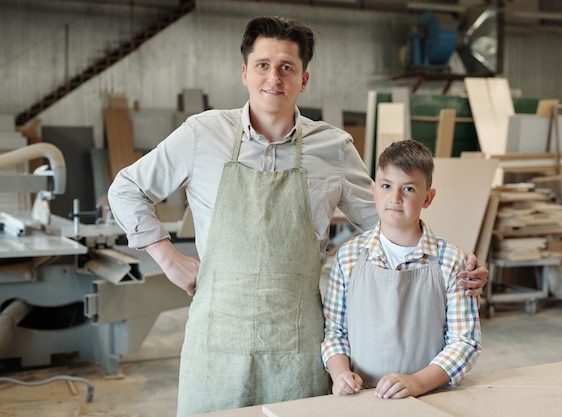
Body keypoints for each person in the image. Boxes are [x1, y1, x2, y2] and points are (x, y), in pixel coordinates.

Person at [107, 16, 487, 416]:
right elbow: (127, 188)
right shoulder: (202, 135)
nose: (275, 77)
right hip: (216, 342)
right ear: (244, 73)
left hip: (299, 343)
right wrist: (168, 259)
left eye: (287, 67)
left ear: (304, 79)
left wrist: (452, 267)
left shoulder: (333, 148)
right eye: (263, 65)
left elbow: (389, 221)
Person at [321, 140, 482, 400]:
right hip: (361, 396)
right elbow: (335, 332)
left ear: (428, 198)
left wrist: (417, 382)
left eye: (408, 189)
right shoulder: (348, 258)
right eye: (386, 186)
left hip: (429, 395)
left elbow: (465, 342)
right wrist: (340, 374)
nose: (395, 198)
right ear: (374, 191)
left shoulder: (451, 261)